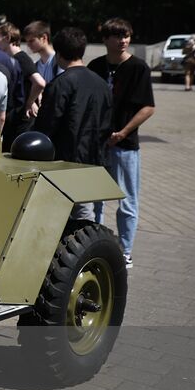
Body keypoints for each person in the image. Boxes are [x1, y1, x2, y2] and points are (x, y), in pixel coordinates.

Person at [89, 17, 156, 268]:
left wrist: (123, 132)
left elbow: (148, 107)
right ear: (105, 39)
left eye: (126, 35)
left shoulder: (139, 68)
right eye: (118, 36)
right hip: (98, 146)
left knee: (127, 201)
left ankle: (125, 250)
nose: (124, 40)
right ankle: (93, 244)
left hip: (125, 147)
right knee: (94, 199)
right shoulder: (95, 66)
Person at [32, 27, 111, 221]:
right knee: (85, 215)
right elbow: (108, 125)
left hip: (64, 165)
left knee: (63, 217)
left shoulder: (60, 84)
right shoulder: (102, 85)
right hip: (95, 161)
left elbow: (45, 128)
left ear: (58, 54)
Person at [24, 21, 61, 86]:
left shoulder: (59, 61)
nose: (28, 45)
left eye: (31, 41)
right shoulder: (36, 65)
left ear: (44, 38)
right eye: (27, 41)